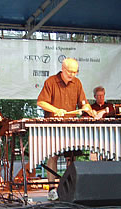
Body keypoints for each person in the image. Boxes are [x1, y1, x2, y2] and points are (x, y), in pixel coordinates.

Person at [37, 58, 96, 200]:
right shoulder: (51, 82)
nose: (72, 75)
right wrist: (55, 110)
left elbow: (84, 103)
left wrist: (88, 109)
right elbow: (41, 102)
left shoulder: (77, 83)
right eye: (70, 72)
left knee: (71, 157)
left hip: (70, 126)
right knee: (53, 155)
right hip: (53, 126)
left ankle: (71, 187)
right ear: (63, 69)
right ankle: (52, 189)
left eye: (75, 72)